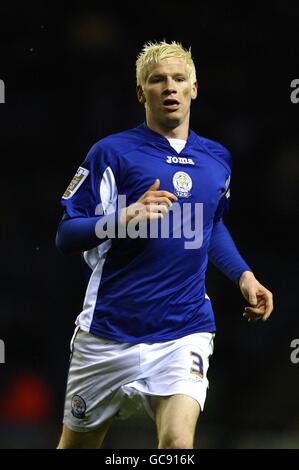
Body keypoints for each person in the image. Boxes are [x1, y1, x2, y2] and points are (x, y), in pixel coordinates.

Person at [55, 40, 273, 449]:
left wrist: (244, 275)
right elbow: (65, 235)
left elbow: (211, 225)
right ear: (142, 92)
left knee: (177, 444)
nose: (169, 87)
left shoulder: (217, 159)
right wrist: (121, 219)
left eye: (178, 79)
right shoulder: (111, 153)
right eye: (157, 80)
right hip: (108, 333)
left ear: (194, 88)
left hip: (183, 330)